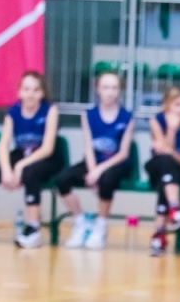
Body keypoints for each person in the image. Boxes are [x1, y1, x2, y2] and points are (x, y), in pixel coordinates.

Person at [0, 71, 61, 248]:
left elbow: (48, 148)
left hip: (46, 157)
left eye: (35, 90)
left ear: (42, 93)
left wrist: (19, 167)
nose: (31, 94)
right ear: (19, 92)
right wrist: (6, 170)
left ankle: (33, 229)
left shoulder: (50, 110)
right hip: (21, 154)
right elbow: (3, 145)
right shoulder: (13, 112)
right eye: (26, 89)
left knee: (29, 173)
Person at [55, 70, 134, 250]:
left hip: (116, 163)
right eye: (106, 87)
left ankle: (101, 225)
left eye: (114, 88)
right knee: (62, 179)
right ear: (98, 89)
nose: (110, 92)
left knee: (107, 180)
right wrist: (92, 170)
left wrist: (99, 172)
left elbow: (123, 153)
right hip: (93, 162)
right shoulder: (88, 115)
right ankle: (80, 221)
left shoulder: (127, 117)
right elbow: (88, 147)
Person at [144, 87, 180, 255]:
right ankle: (175, 209)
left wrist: (166, 148)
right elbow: (162, 153)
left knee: (167, 178)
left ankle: (159, 235)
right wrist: (171, 129)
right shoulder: (156, 120)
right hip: (156, 167)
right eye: (178, 104)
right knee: (164, 163)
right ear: (167, 105)